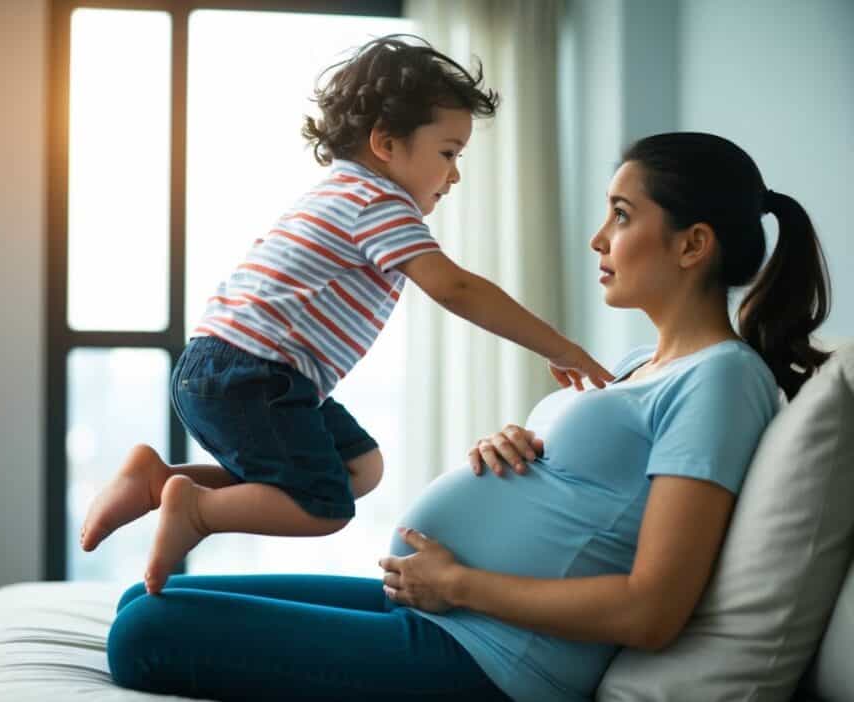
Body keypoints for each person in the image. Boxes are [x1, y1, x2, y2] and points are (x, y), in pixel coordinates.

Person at [104, 131, 832, 702]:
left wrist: (458, 585)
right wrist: (522, 451)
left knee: (145, 632)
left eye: (622, 214)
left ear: (693, 244)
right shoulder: (645, 364)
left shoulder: (722, 380)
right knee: (143, 597)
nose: (598, 239)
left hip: (492, 660)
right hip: (438, 616)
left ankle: (188, 502)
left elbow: (652, 609)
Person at [79, 34, 612, 595]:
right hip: (253, 374)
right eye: (448, 153)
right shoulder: (378, 203)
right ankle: (196, 512)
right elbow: (453, 288)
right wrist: (561, 347)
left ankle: (159, 481)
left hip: (234, 370)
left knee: (360, 468)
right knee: (325, 505)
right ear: (385, 142)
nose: (454, 175)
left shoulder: (341, 190)